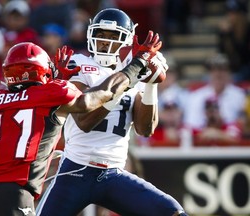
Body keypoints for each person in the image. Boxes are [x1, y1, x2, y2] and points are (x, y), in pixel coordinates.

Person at [0, 25, 161, 216]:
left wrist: (56, 82)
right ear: (42, 70)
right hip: (17, 193)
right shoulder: (51, 93)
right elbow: (91, 101)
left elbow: (26, 102)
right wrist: (135, 66)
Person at [36, 8, 187, 216]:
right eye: (100, 35)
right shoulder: (80, 64)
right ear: (91, 35)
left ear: (126, 40)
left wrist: (151, 85)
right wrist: (127, 80)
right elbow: (84, 121)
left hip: (113, 174)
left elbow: (145, 129)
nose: (105, 41)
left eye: (113, 36)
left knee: (172, 212)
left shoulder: (133, 71)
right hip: (75, 170)